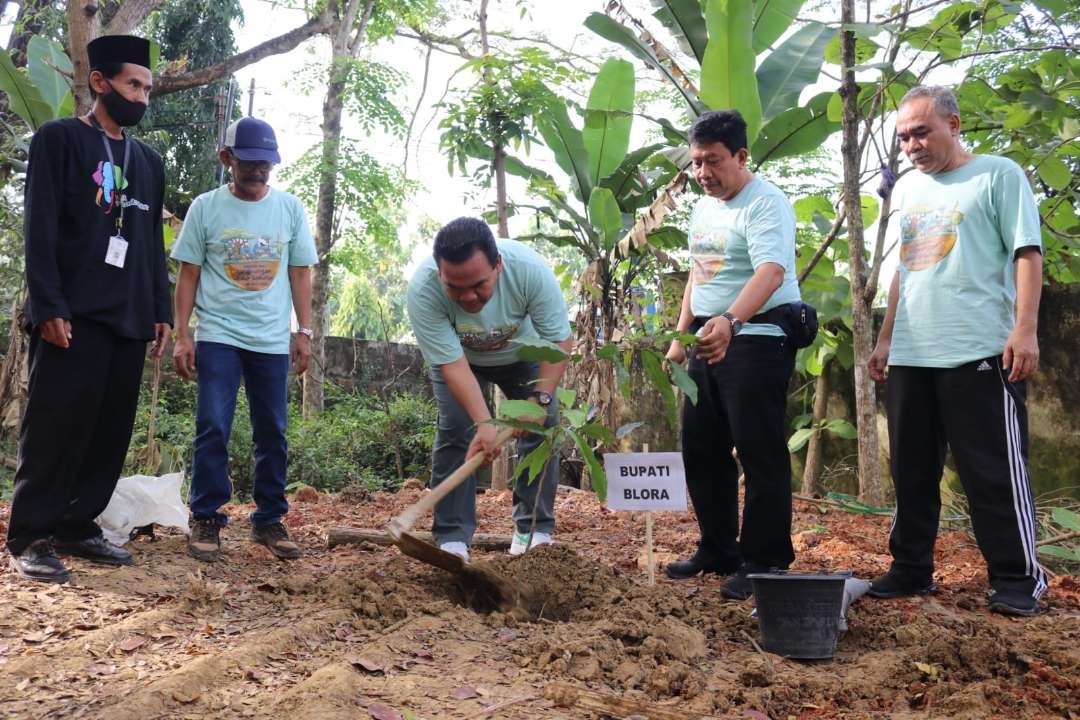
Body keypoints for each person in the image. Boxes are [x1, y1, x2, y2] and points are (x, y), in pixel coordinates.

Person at [868, 85, 1047, 616]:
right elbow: (906, 266)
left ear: (954, 123)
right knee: (912, 469)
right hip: (912, 353)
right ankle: (911, 569)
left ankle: (1017, 578)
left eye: (922, 132)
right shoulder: (910, 191)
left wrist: (1026, 328)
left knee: (991, 470)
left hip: (979, 350)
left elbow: (1026, 252)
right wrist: (885, 338)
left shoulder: (998, 174)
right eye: (903, 137)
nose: (912, 146)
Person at [7, 35, 171, 584]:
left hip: (127, 321)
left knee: (108, 432)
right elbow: (42, 227)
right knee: (55, 427)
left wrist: (161, 310)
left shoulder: (147, 162)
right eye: (132, 85)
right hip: (70, 317)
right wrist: (48, 303)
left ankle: (78, 525)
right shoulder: (59, 140)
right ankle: (31, 534)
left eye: (147, 88)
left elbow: (151, 244)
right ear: (99, 82)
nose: (142, 98)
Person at [663, 110, 801, 600]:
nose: (703, 173)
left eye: (714, 162)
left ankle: (764, 559)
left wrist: (731, 321)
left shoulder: (766, 204)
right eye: (697, 163)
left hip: (758, 339)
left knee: (758, 450)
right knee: (701, 448)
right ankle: (718, 548)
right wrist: (682, 336)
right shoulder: (703, 209)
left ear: (742, 156)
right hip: (706, 338)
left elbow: (771, 273)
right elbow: (698, 279)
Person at [171, 117, 317, 562]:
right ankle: (207, 518)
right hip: (218, 334)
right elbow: (189, 273)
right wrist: (183, 335)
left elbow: (299, 271)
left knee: (272, 430)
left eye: (266, 166)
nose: (257, 173)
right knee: (213, 424)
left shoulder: (289, 209)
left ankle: (269, 519)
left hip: (271, 340)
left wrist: (304, 331)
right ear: (227, 159)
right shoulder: (205, 208)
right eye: (249, 163)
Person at [406, 218, 571, 562]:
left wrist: (538, 401)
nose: (468, 297)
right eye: (455, 288)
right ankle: (452, 538)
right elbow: (451, 365)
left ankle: (533, 531)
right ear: (439, 274)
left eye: (478, 285)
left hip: (524, 354)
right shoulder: (423, 291)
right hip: (461, 362)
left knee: (544, 423)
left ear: (498, 265)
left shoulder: (529, 271)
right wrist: (485, 424)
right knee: (455, 428)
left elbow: (558, 340)